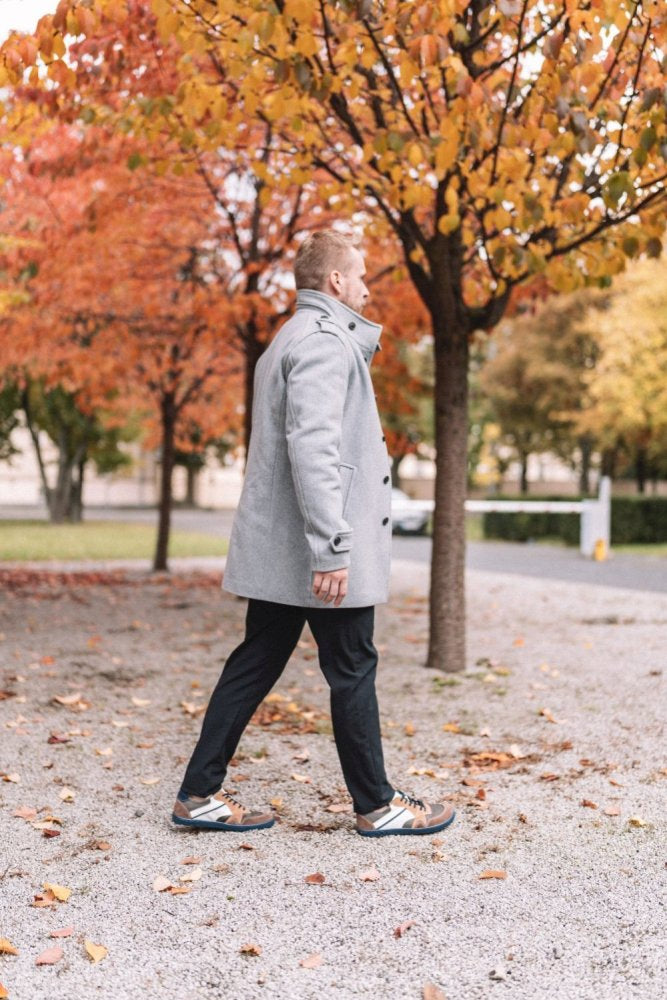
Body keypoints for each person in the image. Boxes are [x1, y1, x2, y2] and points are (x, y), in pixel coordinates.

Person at [171, 230, 456, 838]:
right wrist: (332, 547)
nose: (367, 288)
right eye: (361, 275)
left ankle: (198, 793)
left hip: (288, 547)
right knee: (352, 664)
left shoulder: (289, 337)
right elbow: (314, 450)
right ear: (335, 281)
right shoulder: (324, 343)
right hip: (318, 552)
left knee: (256, 661)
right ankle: (376, 805)